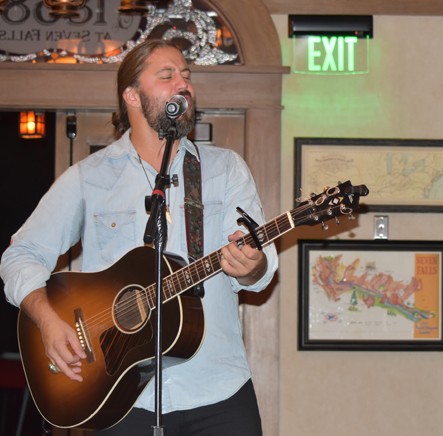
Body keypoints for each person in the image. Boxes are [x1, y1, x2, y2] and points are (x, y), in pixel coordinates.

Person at [0, 39, 278, 435]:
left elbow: (258, 268)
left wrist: (254, 265)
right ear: (132, 95)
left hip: (218, 389)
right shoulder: (90, 177)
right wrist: (46, 321)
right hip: (119, 393)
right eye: (167, 76)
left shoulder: (223, 169)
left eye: (186, 75)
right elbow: (20, 254)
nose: (182, 84)